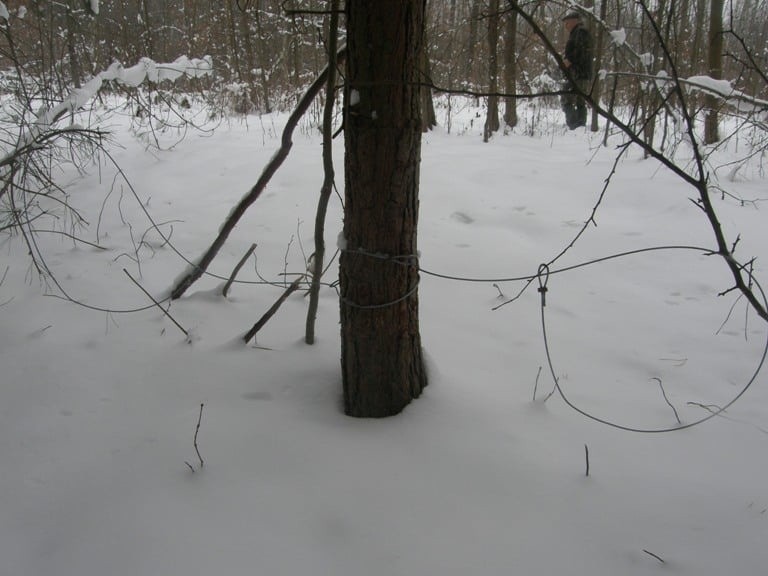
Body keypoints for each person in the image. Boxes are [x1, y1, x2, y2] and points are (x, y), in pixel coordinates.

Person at [560, 12, 593, 129]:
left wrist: (569, 61)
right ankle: (580, 126)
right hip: (582, 73)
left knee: (566, 99)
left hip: (577, 73)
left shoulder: (580, 32)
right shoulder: (579, 33)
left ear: (575, 21)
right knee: (580, 101)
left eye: (567, 23)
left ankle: (574, 126)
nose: (566, 26)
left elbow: (580, 51)